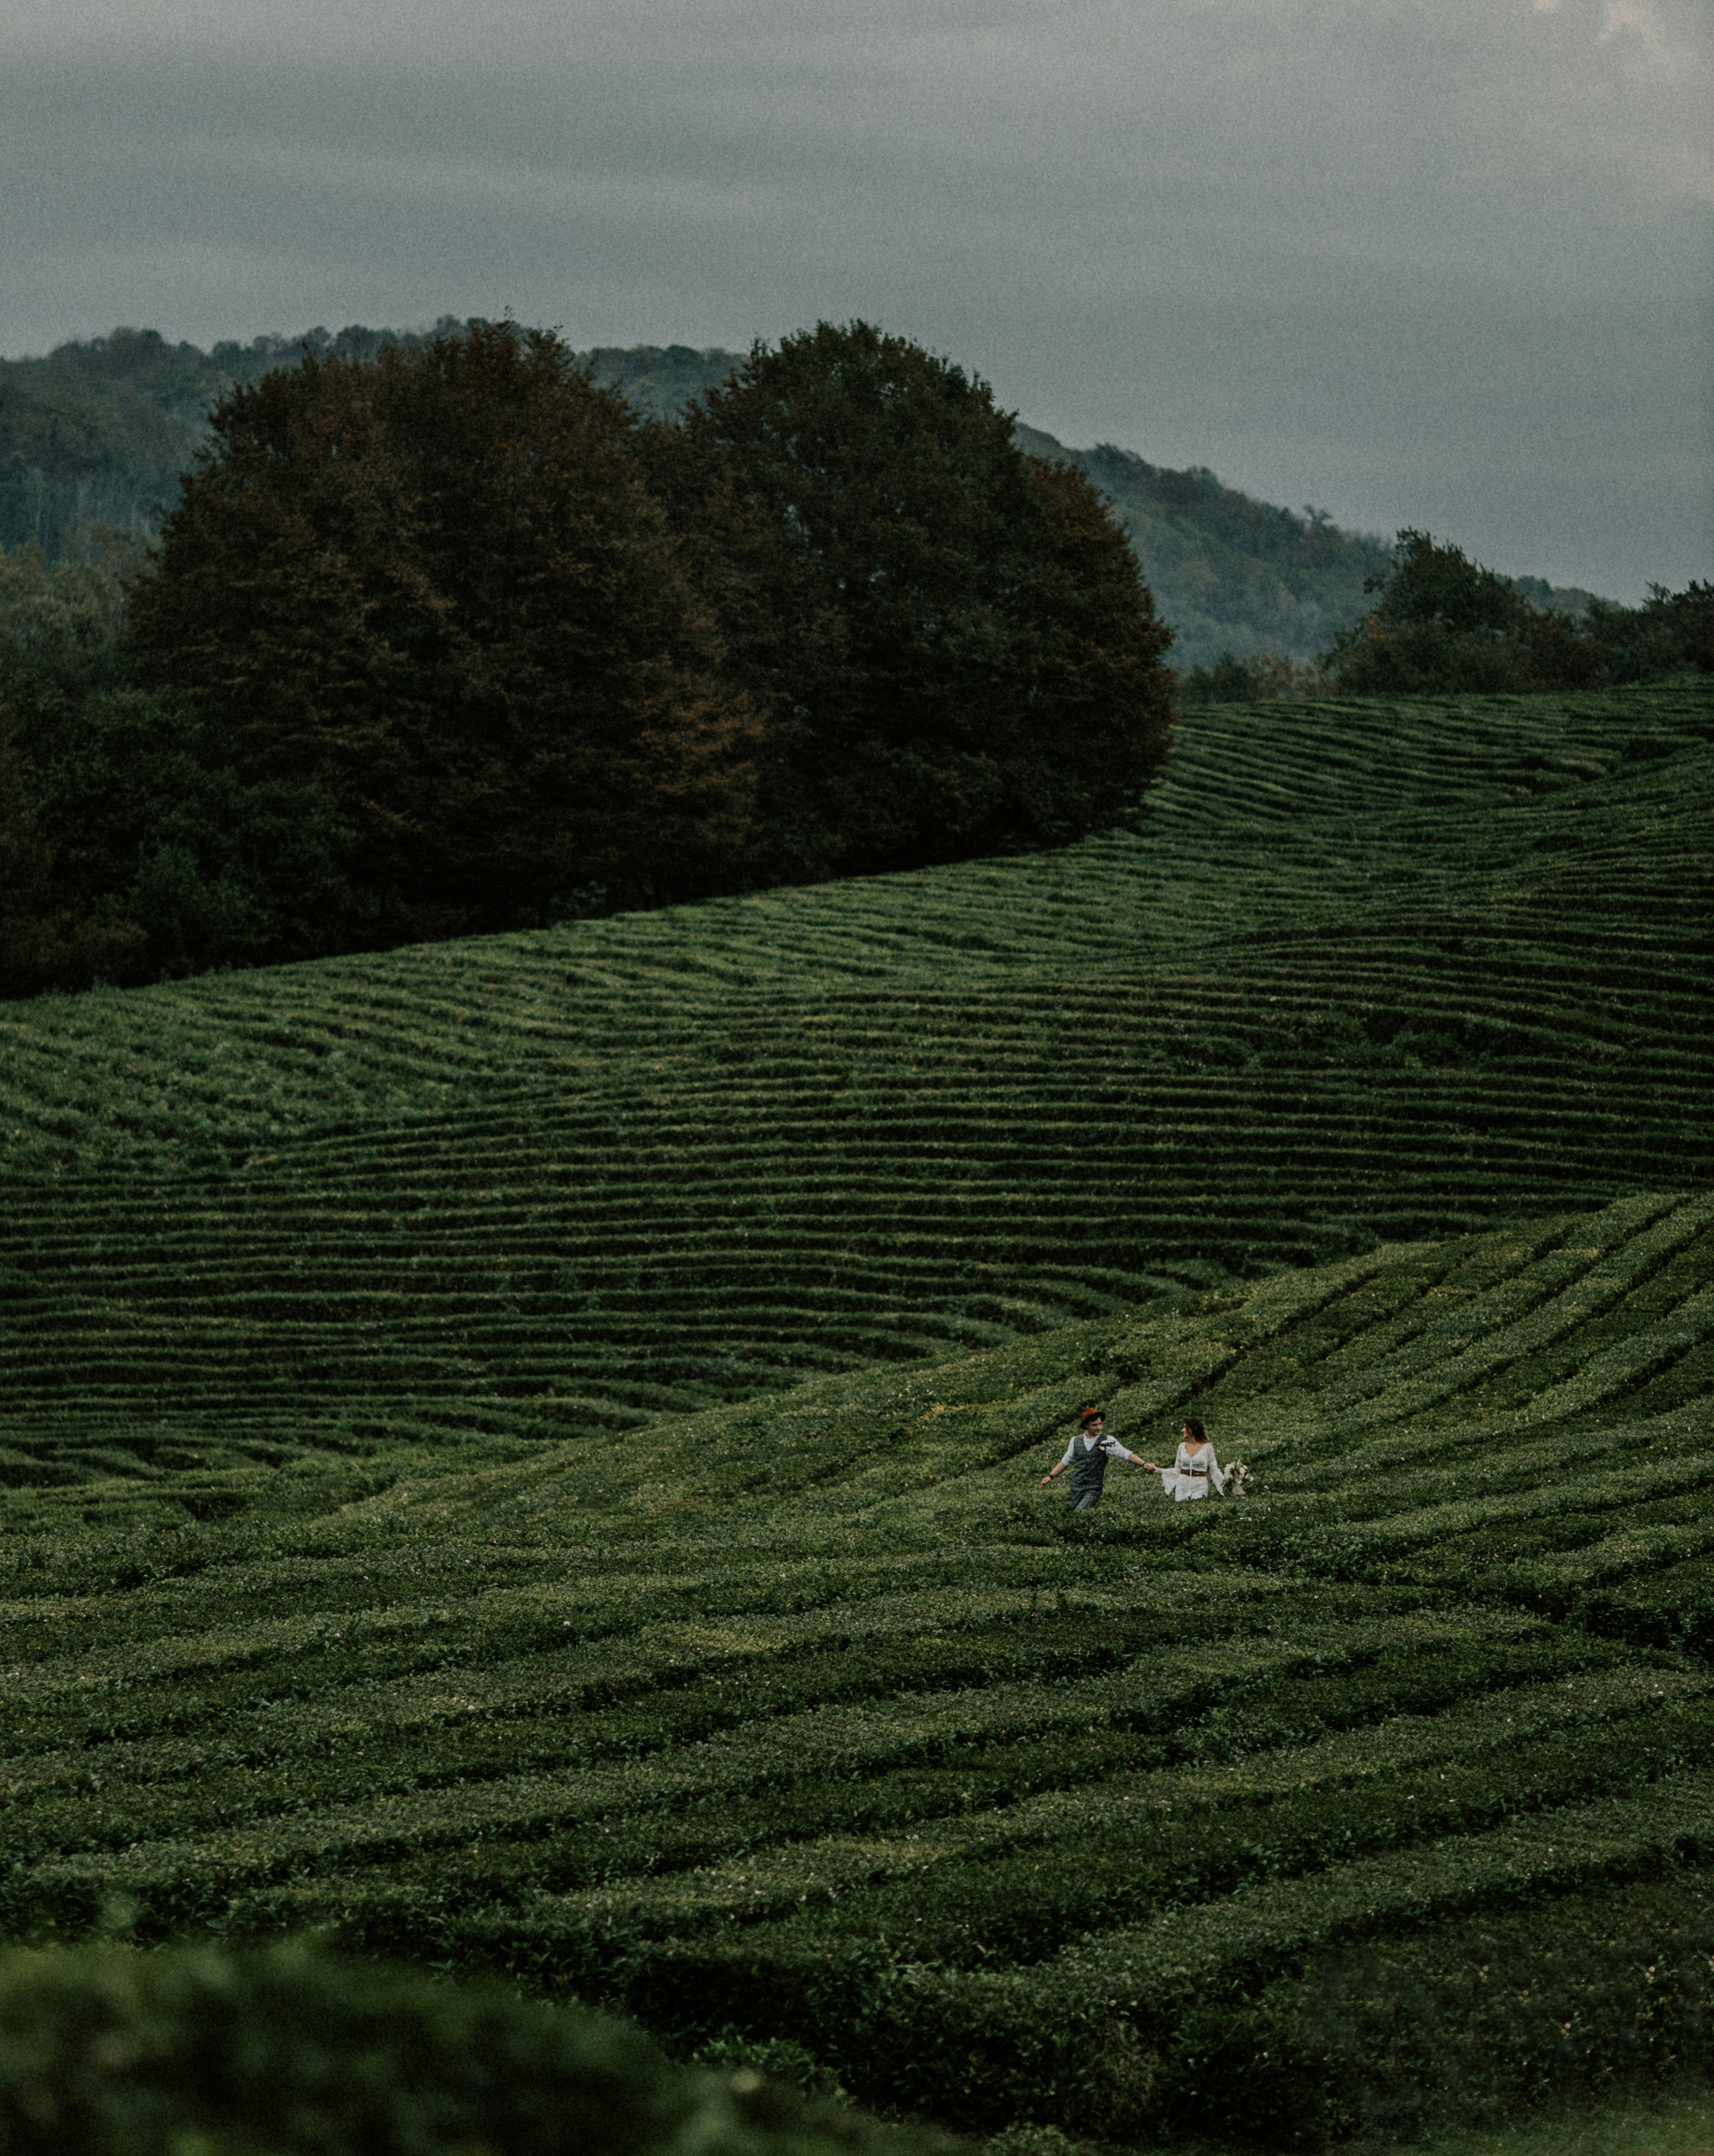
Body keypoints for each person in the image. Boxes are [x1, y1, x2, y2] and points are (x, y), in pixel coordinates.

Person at [1040, 1407, 1148, 1511]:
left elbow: (1126, 1454)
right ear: (1087, 1426)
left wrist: (1143, 1464)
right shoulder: (1075, 1441)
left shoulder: (1107, 1441)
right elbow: (1065, 1462)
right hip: (1077, 1487)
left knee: (1079, 1513)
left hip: (1093, 1488)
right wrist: (1051, 1476)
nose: (1099, 1428)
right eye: (1094, 1425)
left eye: (1100, 1424)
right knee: (1077, 1518)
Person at [1140, 1417, 1227, 1500]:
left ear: (1192, 1430)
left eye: (1185, 1427)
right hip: (1182, 1487)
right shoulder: (1182, 1447)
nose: (1182, 1430)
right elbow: (1178, 1470)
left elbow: (1214, 1470)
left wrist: (1227, 1483)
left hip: (1200, 1486)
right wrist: (1158, 1470)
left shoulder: (1208, 1448)